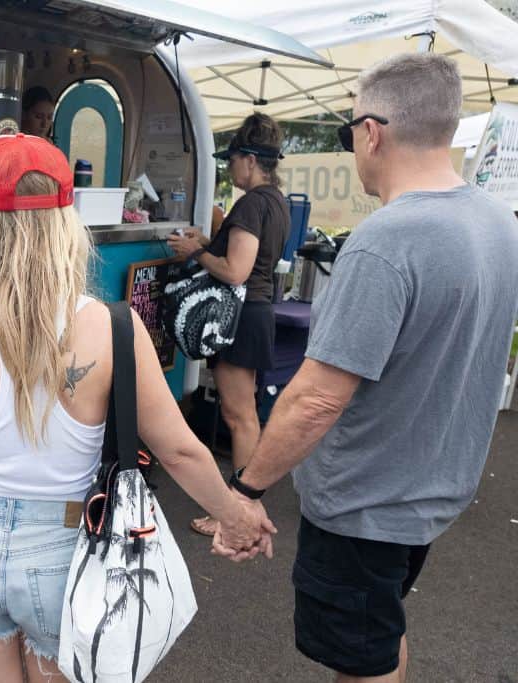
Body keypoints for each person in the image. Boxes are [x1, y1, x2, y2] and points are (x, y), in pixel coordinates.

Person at [0, 134, 275, 682]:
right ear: (64, 225)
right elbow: (179, 450)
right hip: (69, 551)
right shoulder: (111, 326)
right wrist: (236, 514)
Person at [214, 53, 518, 681]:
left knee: (362, 659)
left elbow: (317, 398)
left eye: (349, 130)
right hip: (428, 493)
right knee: (381, 633)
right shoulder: (496, 222)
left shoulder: (387, 240)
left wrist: (245, 492)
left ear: (373, 131)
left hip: (365, 505)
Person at [167, 113, 290, 537]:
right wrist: (208, 243)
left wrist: (194, 252)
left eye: (232, 159)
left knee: (239, 417)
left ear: (250, 159)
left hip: (239, 317)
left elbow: (236, 271)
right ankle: (244, 505)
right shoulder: (276, 201)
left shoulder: (252, 203)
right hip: (257, 313)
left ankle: (235, 513)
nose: (229, 168)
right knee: (247, 415)